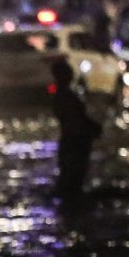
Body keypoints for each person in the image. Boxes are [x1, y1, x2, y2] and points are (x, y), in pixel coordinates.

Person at [51, 59, 102, 199]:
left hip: (72, 141)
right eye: (68, 72)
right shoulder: (65, 96)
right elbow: (76, 119)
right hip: (75, 142)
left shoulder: (63, 95)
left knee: (70, 180)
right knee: (73, 180)